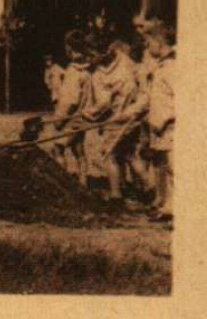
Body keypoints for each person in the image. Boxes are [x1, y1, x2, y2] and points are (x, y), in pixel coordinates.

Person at [123, 24, 175, 222]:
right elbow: (148, 97)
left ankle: (176, 211)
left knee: (174, 169)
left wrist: (165, 119)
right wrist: (128, 113)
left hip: (171, 127)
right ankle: (167, 206)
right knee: (163, 167)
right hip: (159, 129)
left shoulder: (173, 67)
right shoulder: (160, 66)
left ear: (159, 42)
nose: (146, 46)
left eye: (148, 42)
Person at [84, 39, 140, 205]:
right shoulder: (126, 61)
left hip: (115, 119)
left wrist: (88, 113)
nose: (90, 59)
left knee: (109, 155)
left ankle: (116, 195)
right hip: (133, 115)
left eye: (91, 55)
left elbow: (103, 103)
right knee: (130, 154)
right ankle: (147, 189)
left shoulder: (99, 75)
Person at [50, 31, 95, 182]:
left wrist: (59, 120)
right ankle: (83, 183)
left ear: (68, 48)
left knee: (58, 149)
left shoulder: (73, 72)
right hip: (82, 117)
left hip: (71, 118)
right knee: (78, 150)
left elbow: (70, 101)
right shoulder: (87, 70)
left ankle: (62, 184)